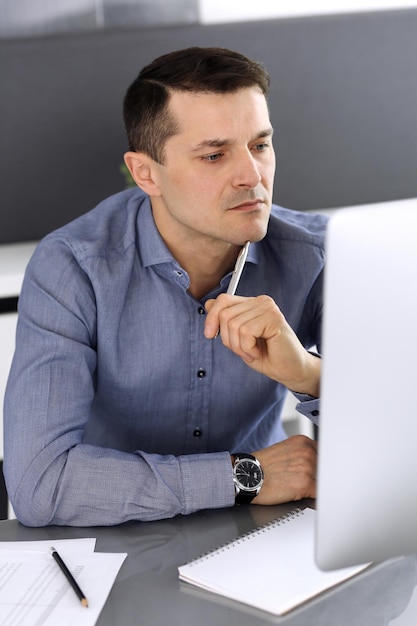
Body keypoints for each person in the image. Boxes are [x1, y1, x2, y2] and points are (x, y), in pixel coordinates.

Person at [4, 47, 327, 527]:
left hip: (262, 539)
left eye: (260, 145)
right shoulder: (73, 267)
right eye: (214, 155)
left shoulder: (316, 253)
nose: (251, 176)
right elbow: (40, 485)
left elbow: (400, 432)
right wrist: (245, 476)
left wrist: (307, 373)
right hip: (112, 536)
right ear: (145, 174)